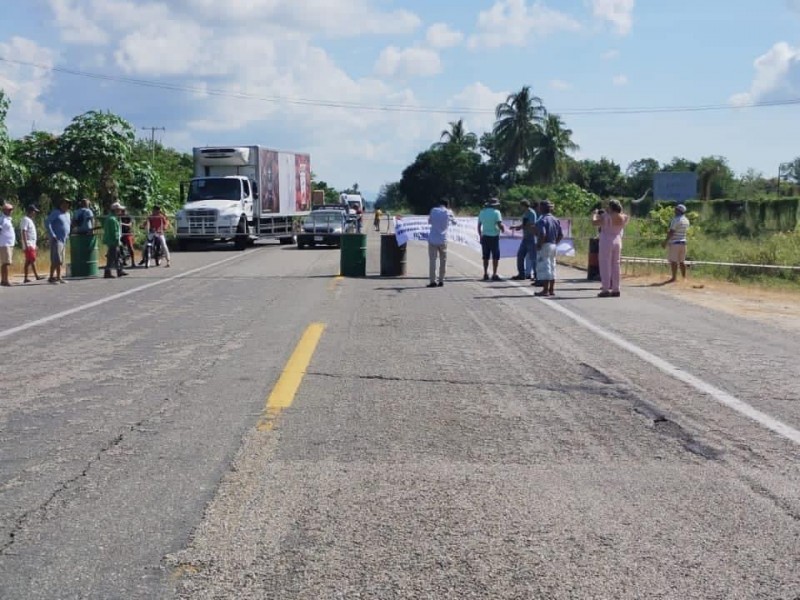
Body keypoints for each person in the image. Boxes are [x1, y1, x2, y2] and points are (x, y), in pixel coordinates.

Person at [592, 199, 630, 297]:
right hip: (617, 239)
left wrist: (595, 214)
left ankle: (605, 288)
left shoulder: (606, 216)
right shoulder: (623, 217)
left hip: (606, 240)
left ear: (611, 207)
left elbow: (594, 223)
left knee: (605, 264)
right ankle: (616, 288)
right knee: (616, 265)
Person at [534, 200, 563, 297]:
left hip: (545, 244)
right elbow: (561, 235)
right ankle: (551, 289)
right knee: (552, 265)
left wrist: (539, 244)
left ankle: (545, 290)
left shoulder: (543, 220)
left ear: (542, 208)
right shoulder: (555, 219)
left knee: (545, 266)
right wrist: (555, 242)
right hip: (553, 244)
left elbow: (542, 233)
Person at [427, 199, 456, 288]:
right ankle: (441, 280)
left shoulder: (433, 210)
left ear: (439, 204)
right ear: (447, 205)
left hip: (432, 239)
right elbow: (454, 222)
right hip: (443, 239)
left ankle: (433, 281)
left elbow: (429, 222)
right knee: (443, 260)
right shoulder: (449, 212)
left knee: (432, 260)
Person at [477, 198, 505, 281]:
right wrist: (503, 229)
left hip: (485, 236)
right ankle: (494, 273)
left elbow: (479, 226)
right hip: (494, 236)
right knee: (495, 256)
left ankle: (485, 273)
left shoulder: (482, 212)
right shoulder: (497, 212)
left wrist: (480, 235)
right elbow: (499, 224)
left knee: (485, 256)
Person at [510, 199, 538, 281]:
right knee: (520, 255)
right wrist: (518, 227)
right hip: (525, 237)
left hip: (531, 237)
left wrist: (519, 227)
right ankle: (521, 274)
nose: (520, 208)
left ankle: (537, 275)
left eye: (521, 206)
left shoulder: (531, 213)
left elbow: (531, 224)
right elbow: (524, 224)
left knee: (533, 257)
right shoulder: (525, 213)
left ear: (524, 205)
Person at [45, 198, 72, 284]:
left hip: (64, 240)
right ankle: (52, 277)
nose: (65, 205)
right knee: (56, 259)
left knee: (60, 260)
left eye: (67, 204)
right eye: (63, 203)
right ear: (60, 204)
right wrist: (52, 234)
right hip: (56, 239)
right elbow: (47, 222)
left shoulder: (68, 214)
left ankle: (58, 277)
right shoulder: (56, 213)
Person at [664, 204, 690, 282]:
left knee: (673, 261)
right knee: (682, 261)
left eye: (676, 209)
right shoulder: (686, 220)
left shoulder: (676, 219)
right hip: (683, 242)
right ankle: (684, 277)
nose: (674, 211)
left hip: (675, 242)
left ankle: (674, 278)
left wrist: (665, 241)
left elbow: (672, 232)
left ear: (679, 211)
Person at [103, 202, 128, 279]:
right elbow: (115, 232)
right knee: (112, 256)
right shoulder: (113, 219)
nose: (121, 211)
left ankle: (119, 270)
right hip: (113, 241)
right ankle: (107, 272)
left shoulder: (110, 218)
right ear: (116, 210)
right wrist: (117, 241)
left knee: (117, 256)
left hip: (111, 240)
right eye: (119, 210)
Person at [20, 204, 43, 283]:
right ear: (31, 211)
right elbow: (24, 231)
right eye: (34, 211)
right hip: (28, 243)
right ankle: (37, 276)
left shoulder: (29, 220)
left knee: (28, 261)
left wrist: (34, 244)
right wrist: (26, 244)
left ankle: (26, 278)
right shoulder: (25, 219)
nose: (35, 213)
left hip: (31, 243)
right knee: (32, 259)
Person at [0, 201, 15, 287]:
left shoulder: (8, 219)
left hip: (9, 244)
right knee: (6, 262)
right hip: (4, 244)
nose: (11, 211)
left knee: (6, 262)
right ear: (4, 210)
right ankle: (6, 280)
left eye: (11, 209)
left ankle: (3, 280)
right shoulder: (2, 219)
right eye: (9, 210)